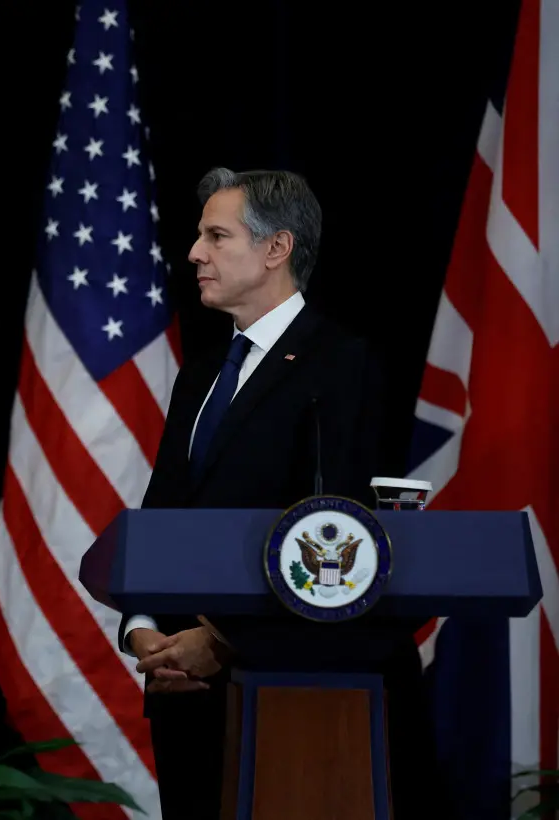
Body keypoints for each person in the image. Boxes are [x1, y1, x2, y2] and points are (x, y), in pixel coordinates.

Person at [117, 168, 437, 818]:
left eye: (215, 235)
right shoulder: (202, 373)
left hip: (298, 693)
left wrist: (222, 641)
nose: (195, 254)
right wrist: (146, 630)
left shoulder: (343, 364)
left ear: (275, 249)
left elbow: (340, 534)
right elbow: (165, 516)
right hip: (188, 694)